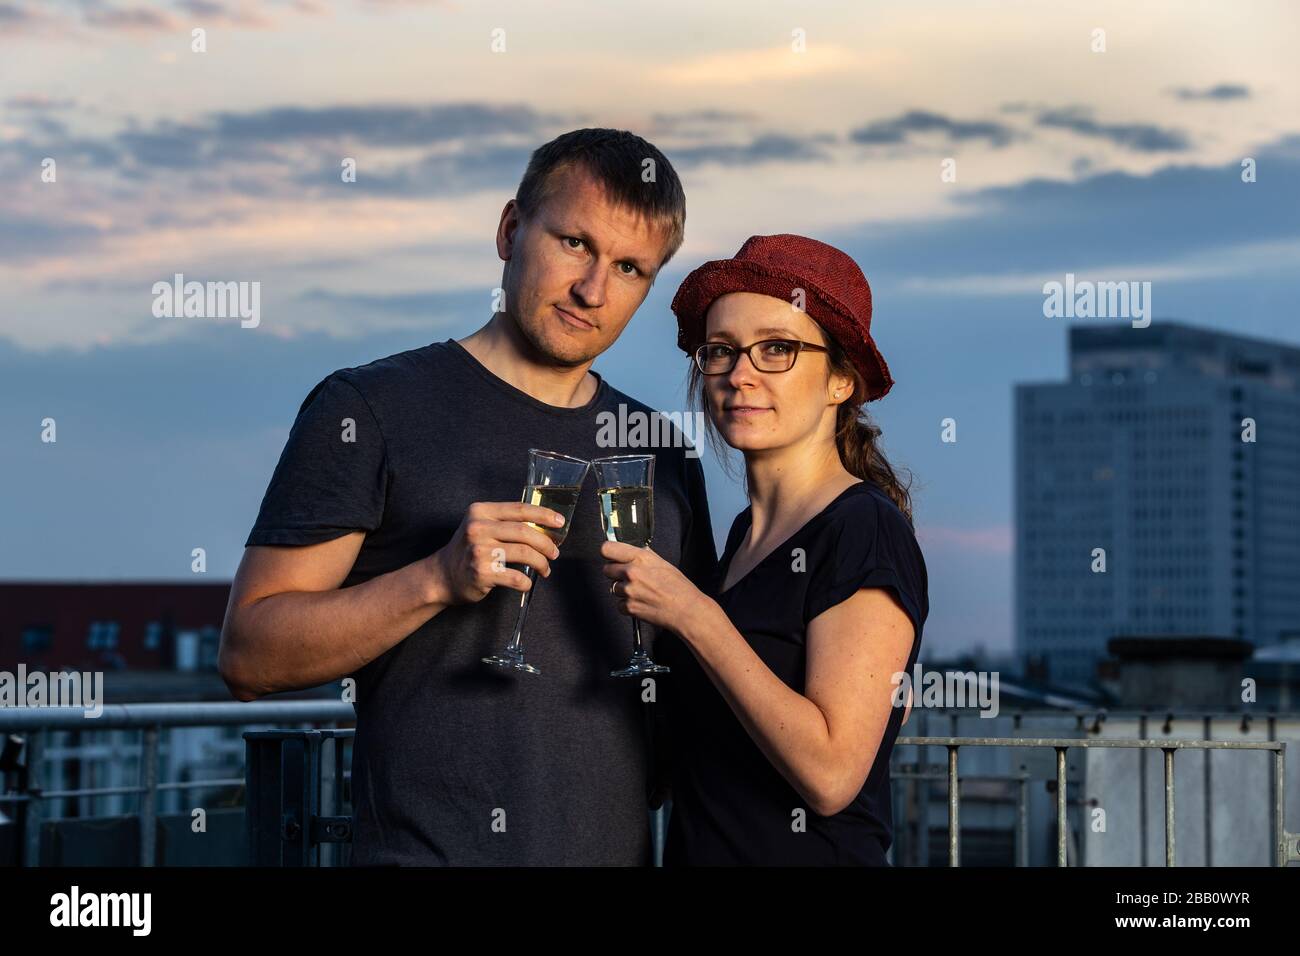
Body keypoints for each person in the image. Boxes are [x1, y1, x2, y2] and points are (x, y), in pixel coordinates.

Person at [217, 128, 718, 866]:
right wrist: (435, 579)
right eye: (575, 243)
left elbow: (689, 690)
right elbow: (249, 656)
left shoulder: (664, 451)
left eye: (631, 267)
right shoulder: (367, 408)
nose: (594, 290)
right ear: (511, 230)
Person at [600, 234, 928, 865]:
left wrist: (695, 617)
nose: (740, 374)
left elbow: (830, 779)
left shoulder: (863, 527)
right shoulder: (744, 537)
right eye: (720, 351)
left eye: (777, 348)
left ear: (840, 381)